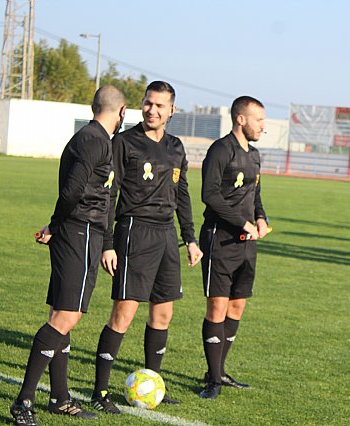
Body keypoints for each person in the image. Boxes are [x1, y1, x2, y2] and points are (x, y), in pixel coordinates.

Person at [10, 85, 127, 425]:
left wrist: (105, 240)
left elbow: (103, 198)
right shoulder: (92, 140)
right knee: (65, 316)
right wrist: (56, 224)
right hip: (77, 230)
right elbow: (73, 189)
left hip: (87, 234)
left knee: (64, 315)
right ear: (120, 112)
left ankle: (60, 398)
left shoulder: (99, 140)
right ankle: (23, 401)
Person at [90, 81, 203, 413]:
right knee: (124, 314)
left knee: (163, 314)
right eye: (147, 103)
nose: (152, 110)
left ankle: (154, 381)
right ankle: (100, 391)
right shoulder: (124, 143)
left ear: (172, 110)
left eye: (159, 106)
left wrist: (191, 239)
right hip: (134, 232)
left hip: (167, 235)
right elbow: (109, 194)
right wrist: (108, 243)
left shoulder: (176, 147)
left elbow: (182, 194)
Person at [197, 96, 269, 399]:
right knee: (217, 306)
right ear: (241, 119)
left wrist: (261, 218)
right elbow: (209, 195)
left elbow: (256, 195)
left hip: (246, 245)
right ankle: (212, 380)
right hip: (219, 240)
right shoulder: (220, 150)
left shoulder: (254, 156)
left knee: (237, 306)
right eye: (259, 120)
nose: (263, 127)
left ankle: (219, 371)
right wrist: (243, 223)